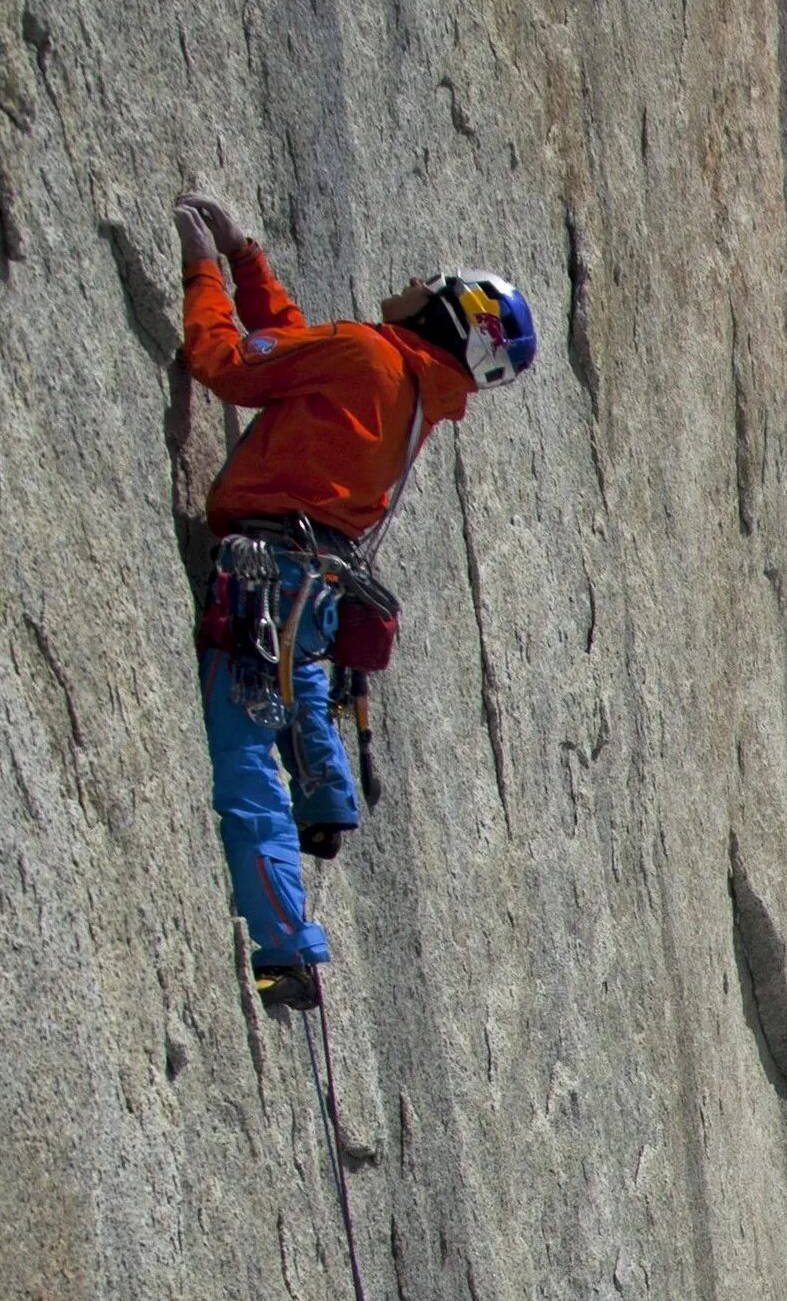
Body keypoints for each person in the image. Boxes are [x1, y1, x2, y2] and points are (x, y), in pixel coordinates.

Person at [174, 192, 536, 1011]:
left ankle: (285, 949)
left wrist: (204, 268)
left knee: (241, 755)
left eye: (429, 283)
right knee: (292, 682)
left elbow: (231, 365)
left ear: (448, 314)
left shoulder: (368, 355)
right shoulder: (412, 396)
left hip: (265, 570)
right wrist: (247, 258)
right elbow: (302, 355)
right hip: (313, 582)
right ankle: (327, 794)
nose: (411, 281)